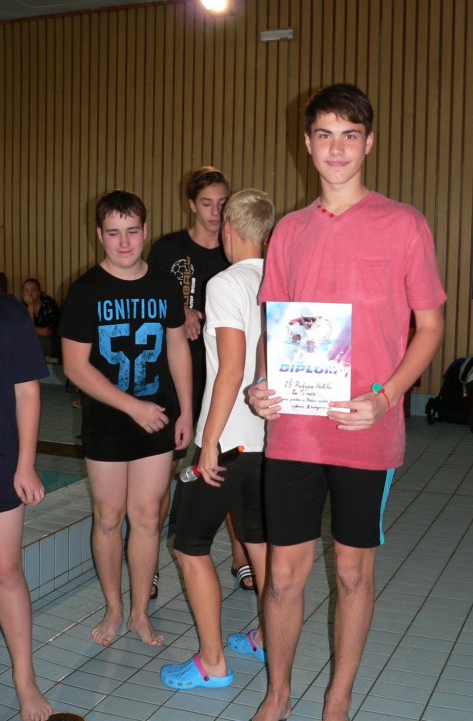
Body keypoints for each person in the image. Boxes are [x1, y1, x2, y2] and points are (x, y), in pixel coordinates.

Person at [248, 83, 446, 721]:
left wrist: (386, 399)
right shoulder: (289, 231)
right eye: (325, 135)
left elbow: (431, 327)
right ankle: (278, 694)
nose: (337, 149)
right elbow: (274, 326)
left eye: (350, 135)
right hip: (295, 431)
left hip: (367, 429)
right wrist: (262, 383)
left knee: (353, 573)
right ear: (307, 145)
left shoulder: (405, 224)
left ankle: (338, 697)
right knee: (283, 575)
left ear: (370, 143)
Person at [60, 190, 193, 647]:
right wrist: (133, 407)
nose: (123, 243)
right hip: (108, 423)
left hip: (157, 419)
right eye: (114, 233)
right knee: (109, 517)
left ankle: (139, 612)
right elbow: (75, 367)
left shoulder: (163, 285)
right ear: (99, 235)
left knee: (148, 518)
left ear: (144, 231)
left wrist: (187, 411)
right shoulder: (86, 291)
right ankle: (114, 608)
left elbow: (177, 347)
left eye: (132, 232)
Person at [160, 189, 275, 690]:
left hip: (228, 439)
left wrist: (209, 442)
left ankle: (212, 663)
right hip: (267, 438)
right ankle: (267, 638)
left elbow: (231, 369)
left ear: (228, 229)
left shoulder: (226, 282)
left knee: (189, 545)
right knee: (258, 542)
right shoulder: (280, 279)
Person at [148, 167, 254, 596]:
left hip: (223, 377)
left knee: (225, 469)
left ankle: (241, 556)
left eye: (223, 204)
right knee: (166, 471)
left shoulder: (235, 252)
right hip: (175, 376)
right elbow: (148, 299)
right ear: (191, 204)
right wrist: (180, 312)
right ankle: (149, 564)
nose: (215, 212)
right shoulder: (168, 249)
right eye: (207, 204)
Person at [0, 292, 53, 721]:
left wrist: (26, 464)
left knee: (6, 570)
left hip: (1, 458)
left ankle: (24, 677)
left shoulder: (9, 313)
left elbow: (27, 391)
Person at [22, 278, 61, 362]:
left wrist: (29, 330)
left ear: (39, 292)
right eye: (27, 291)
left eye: (33, 290)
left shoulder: (48, 303)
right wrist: (30, 306)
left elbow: (47, 332)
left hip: (51, 338)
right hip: (32, 338)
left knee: (30, 343)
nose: (30, 294)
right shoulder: (21, 306)